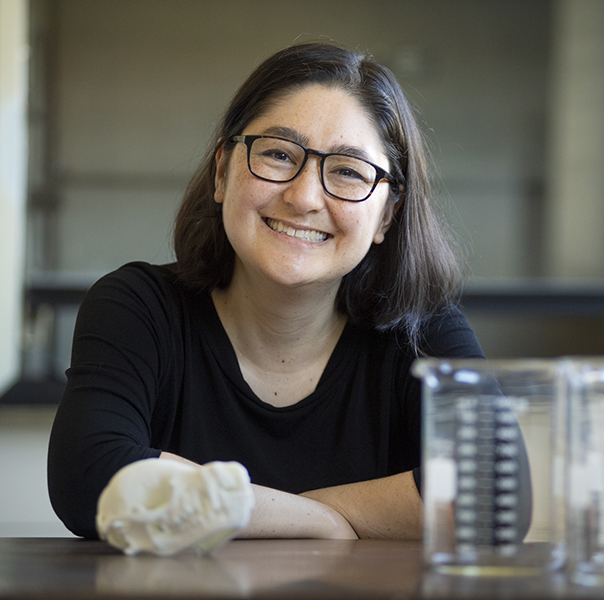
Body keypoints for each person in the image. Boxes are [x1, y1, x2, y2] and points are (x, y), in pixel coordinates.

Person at [46, 42, 488, 541]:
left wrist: (274, 512)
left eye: (346, 171)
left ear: (387, 213)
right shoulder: (138, 306)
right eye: (278, 154)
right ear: (221, 171)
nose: (303, 198)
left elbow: (490, 494)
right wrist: (323, 525)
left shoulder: (421, 331)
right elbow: (90, 477)